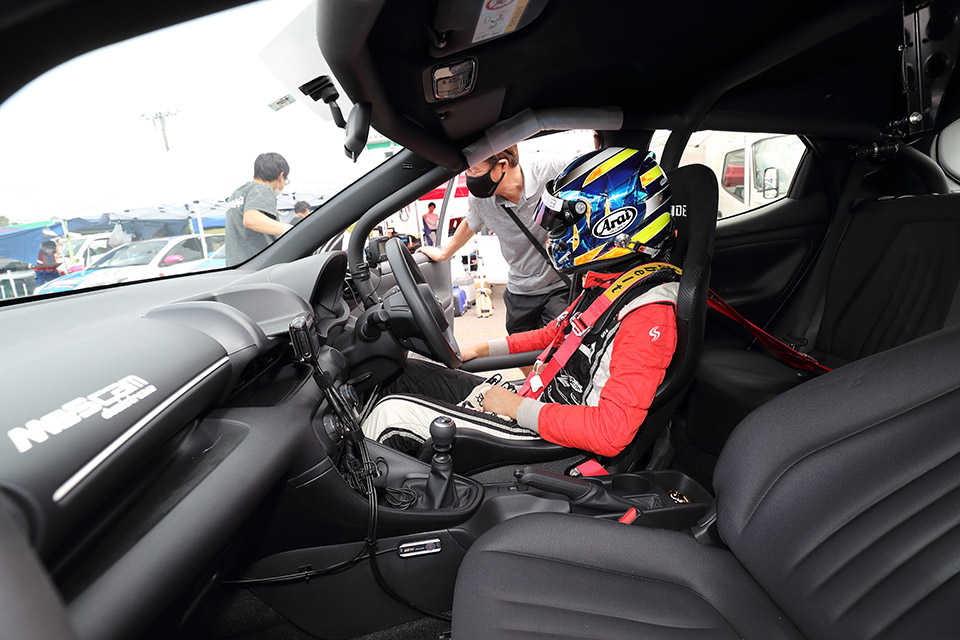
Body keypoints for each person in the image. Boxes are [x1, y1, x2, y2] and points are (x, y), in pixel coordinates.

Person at [362, 148, 679, 459]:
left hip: (546, 441)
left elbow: (612, 431)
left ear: (613, 222)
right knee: (408, 374)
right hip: (539, 401)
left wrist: (515, 407)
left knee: (391, 416)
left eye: (563, 225)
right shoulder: (609, 284)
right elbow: (552, 335)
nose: (555, 235)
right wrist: (480, 349)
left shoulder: (647, 313)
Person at [418, 145, 570, 335]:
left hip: (560, 285)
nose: (470, 178)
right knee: (518, 347)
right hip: (520, 290)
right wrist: (444, 254)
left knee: (558, 346)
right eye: (467, 172)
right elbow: (470, 223)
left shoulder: (552, 170)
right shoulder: (480, 200)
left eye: (475, 171)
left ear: (502, 165)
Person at [224, 152, 293, 266]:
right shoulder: (262, 189)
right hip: (259, 267)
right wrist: (289, 229)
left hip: (237, 267)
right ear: (281, 176)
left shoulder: (236, 194)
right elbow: (251, 219)